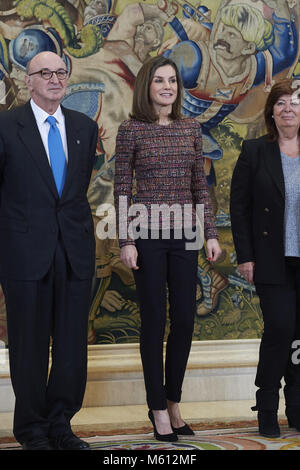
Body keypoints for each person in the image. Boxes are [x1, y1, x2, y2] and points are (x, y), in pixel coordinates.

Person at [114, 56, 221, 442]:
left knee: (186, 321)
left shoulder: (191, 128)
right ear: (147, 86)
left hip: (185, 236)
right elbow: (122, 188)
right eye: (159, 81)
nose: (167, 87)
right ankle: (157, 407)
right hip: (146, 236)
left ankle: (174, 401)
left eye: (172, 81)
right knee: (154, 322)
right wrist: (126, 239)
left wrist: (210, 233)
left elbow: (199, 187)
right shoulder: (131, 130)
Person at [0, 51, 98, 450]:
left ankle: (61, 424)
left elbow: (74, 193)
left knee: (73, 346)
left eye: (61, 73)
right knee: (29, 346)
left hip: (73, 250)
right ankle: (32, 429)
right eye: (46, 73)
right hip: (24, 252)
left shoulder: (84, 127)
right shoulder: (7, 126)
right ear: (29, 81)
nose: (55, 79)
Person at [230, 78, 300, 438]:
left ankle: (298, 406)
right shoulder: (255, 151)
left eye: (294, 102)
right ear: (272, 111)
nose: (288, 108)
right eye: (281, 102)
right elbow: (239, 208)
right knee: (280, 329)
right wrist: (246, 256)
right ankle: (268, 404)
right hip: (272, 259)